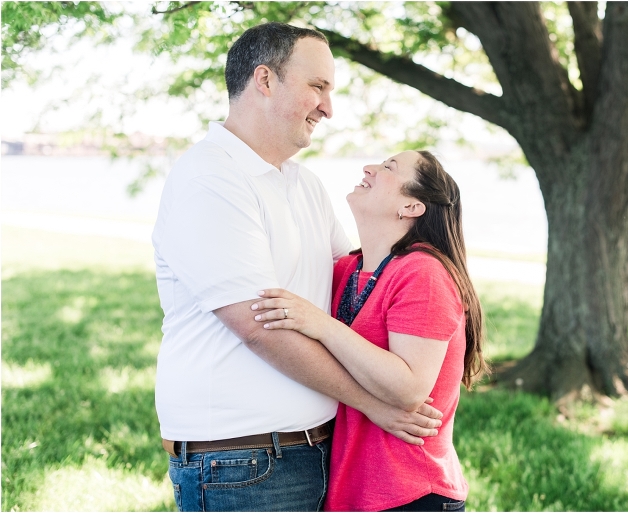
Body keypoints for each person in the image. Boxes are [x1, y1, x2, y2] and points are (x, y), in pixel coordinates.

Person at [151, 23, 442, 512]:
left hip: (314, 453)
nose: (328, 107)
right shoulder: (211, 178)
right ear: (264, 80)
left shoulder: (303, 184)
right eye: (318, 87)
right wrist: (374, 404)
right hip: (242, 466)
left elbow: (356, 289)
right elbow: (260, 328)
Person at [252, 150, 488, 511]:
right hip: (353, 492)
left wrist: (322, 325)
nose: (369, 167)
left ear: (411, 207)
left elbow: (409, 389)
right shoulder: (349, 270)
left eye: (389, 167)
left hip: (410, 492)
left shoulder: (423, 273)